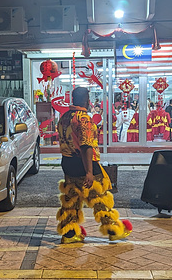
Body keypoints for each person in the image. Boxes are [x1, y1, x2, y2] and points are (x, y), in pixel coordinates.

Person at [56, 87, 132, 244]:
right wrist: (89, 172)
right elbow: (86, 146)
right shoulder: (83, 118)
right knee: (99, 198)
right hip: (84, 163)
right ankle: (113, 229)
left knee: (71, 200)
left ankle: (69, 233)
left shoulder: (64, 117)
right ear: (86, 99)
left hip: (68, 163)